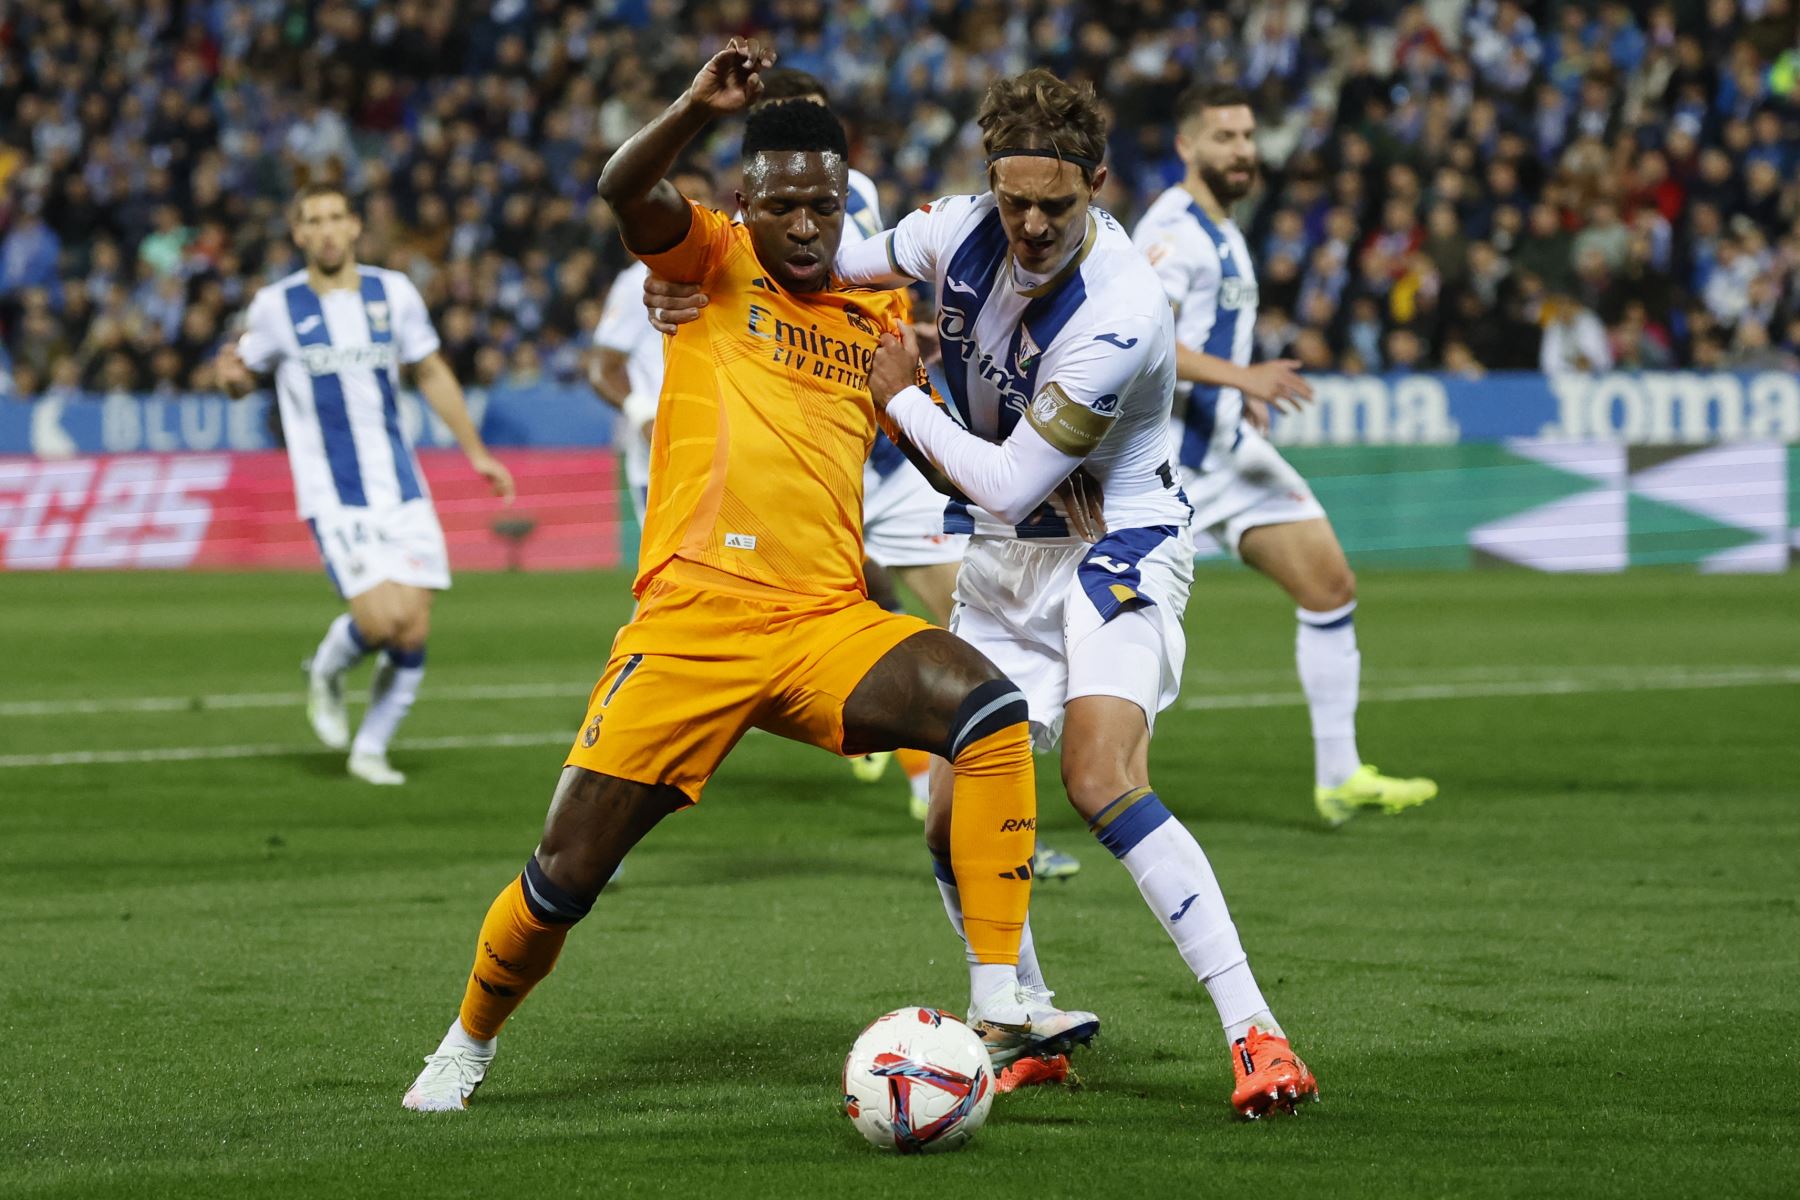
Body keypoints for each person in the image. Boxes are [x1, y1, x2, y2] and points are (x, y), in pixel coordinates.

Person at [399, 40, 1095, 1113]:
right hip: (691, 628)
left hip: (825, 625)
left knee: (990, 711)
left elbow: (960, 451)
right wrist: (692, 102)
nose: (809, 225)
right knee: (561, 877)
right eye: (787, 207)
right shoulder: (706, 263)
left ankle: (998, 999)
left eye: (825, 205)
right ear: (745, 202)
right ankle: (467, 1041)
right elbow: (623, 188)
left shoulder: (875, 318)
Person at [846, 69, 1316, 1117]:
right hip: (1003, 570)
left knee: (1101, 777)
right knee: (945, 825)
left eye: (1057, 203)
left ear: (1096, 184)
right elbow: (818, 261)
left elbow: (1012, 479)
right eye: (1014, 200)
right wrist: (693, 279)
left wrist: (903, 403)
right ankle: (1029, 1022)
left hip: (1118, 551)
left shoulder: (1125, 309)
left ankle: (1257, 1034)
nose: (1031, 224)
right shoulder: (950, 232)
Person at [1131, 83, 1438, 826]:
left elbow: (1209, 336)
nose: (1242, 150)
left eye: (1247, 136)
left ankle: (1339, 776)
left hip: (1230, 452)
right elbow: (1141, 338)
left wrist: (1240, 395)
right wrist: (1242, 376)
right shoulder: (1172, 230)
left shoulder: (1227, 228)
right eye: (1224, 137)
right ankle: (1098, 789)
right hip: (1165, 468)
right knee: (1126, 639)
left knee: (1330, 584)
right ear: (1187, 146)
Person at [215, 183, 515, 786]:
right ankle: (325, 670)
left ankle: (371, 748)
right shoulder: (277, 305)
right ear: (298, 234)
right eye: (312, 221)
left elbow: (429, 369)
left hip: (400, 484)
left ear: (355, 226)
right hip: (333, 491)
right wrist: (229, 378)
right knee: (380, 621)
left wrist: (476, 452)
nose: (326, 230)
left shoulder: (393, 292)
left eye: (335, 218)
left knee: (415, 626)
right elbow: (242, 375)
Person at [587, 163, 719, 528]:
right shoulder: (636, 282)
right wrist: (642, 411)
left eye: (700, 198)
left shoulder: (736, 272)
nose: (692, 207)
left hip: (727, 444)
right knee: (667, 574)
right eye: (681, 200)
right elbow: (602, 367)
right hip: (662, 451)